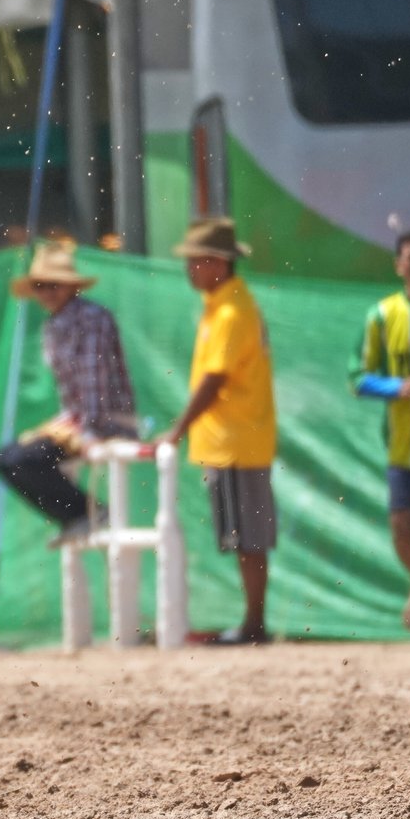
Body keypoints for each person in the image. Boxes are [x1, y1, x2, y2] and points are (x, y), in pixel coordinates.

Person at [159, 218, 277, 645]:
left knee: (249, 538)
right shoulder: (223, 305)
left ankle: (254, 625)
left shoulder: (231, 311)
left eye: (196, 261)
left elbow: (214, 381)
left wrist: (176, 430)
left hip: (236, 441)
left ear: (218, 263)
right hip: (233, 440)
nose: (189, 269)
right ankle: (252, 623)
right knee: (245, 536)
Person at [0, 242, 138, 548]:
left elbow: (93, 381)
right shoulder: (54, 324)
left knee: (19, 459)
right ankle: (77, 514)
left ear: (70, 286)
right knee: (6, 459)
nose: (47, 292)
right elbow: (73, 394)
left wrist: (87, 432)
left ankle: (87, 512)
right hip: (78, 421)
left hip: (104, 422)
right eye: (41, 286)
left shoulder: (91, 319)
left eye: (53, 284)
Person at [349, 225, 410, 632]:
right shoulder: (382, 316)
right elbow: (357, 378)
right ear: (399, 265)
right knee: (402, 530)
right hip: (406, 449)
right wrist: (399, 387)